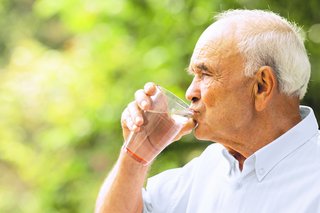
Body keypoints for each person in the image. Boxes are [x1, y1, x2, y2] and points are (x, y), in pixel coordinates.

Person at [95, 9, 320, 213]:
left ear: (262, 86)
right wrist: (136, 155)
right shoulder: (208, 168)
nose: (190, 92)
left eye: (206, 75)